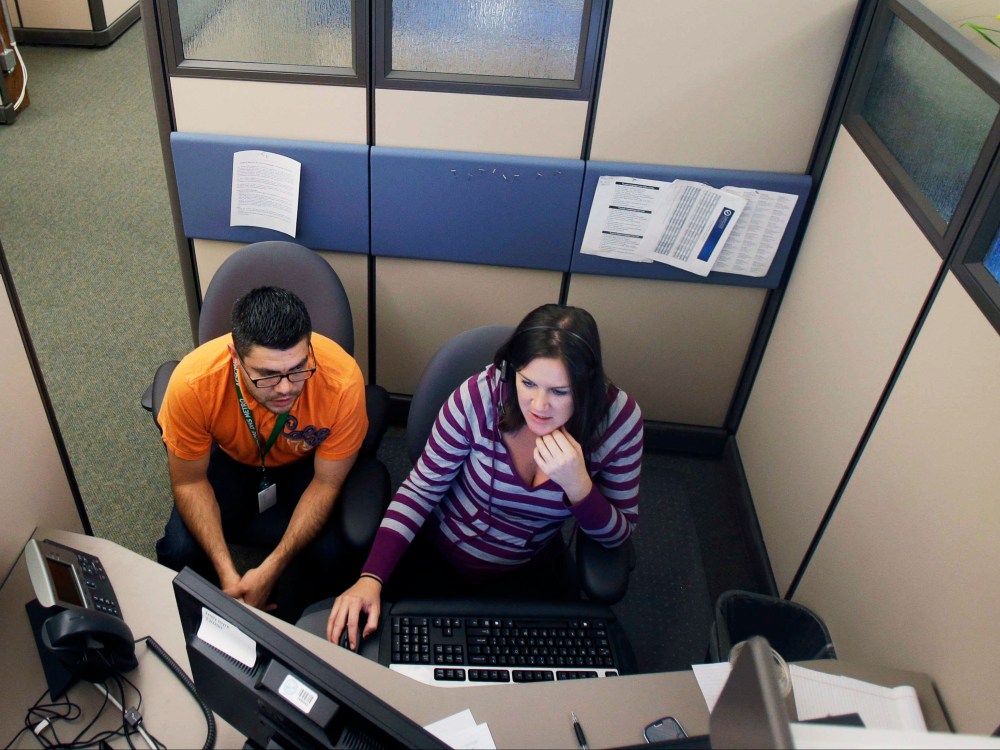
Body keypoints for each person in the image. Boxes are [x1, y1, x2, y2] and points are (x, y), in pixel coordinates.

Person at [327, 303, 642, 648]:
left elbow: (618, 535)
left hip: (529, 566)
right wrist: (371, 577)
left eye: (559, 391)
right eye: (528, 383)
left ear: (588, 387)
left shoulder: (618, 421)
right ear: (510, 372)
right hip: (440, 552)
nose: (539, 405)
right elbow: (420, 491)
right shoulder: (479, 397)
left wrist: (579, 486)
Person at [155, 286, 368, 622]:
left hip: (306, 462)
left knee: (333, 554)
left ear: (309, 349)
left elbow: (326, 482)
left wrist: (272, 568)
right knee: (178, 549)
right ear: (234, 356)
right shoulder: (194, 383)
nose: (286, 388)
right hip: (232, 457)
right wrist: (228, 575)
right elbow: (189, 483)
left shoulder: (341, 380)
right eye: (267, 375)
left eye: (298, 368)